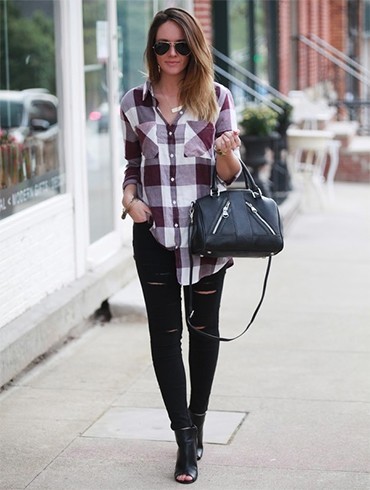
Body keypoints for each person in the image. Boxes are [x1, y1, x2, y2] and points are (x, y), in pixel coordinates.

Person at [120, 7, 241, 485]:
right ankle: (184, 437)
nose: (172, 54)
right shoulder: (134, 102)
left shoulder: (217, 98)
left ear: (195, 48)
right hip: (153, 237)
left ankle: (200, 419)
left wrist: (228, 152)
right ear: (153, 50)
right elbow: (132, 167)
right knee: (165, 338)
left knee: (204, 334)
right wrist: (131, 201)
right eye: (162, 46)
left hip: (206, 239)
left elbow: (229, 177)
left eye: (181, 46)